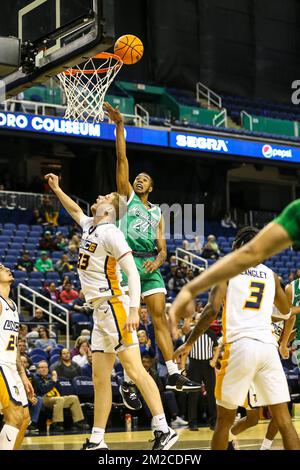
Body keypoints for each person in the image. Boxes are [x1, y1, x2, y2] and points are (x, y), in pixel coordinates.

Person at [45, 172, 178, 450]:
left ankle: (163, 429)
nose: (98, 197)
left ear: (110, 208)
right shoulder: (91, 226)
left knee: (135, 368)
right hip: (100, 312)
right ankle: (97, 438)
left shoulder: (112, 232)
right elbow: (75, 209)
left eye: (104, 197)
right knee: (99, 377)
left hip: (114, 305)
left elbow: (133, 272)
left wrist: (132, 310)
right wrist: (57, 189)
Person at [103, 101, 200, 396]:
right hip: (127, 264)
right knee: (128, 323)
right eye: (137, 178)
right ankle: (129, 381)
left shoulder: (157, 212)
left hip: (150, 268)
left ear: (152, 187)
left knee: (159, 317)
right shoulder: (127, 198)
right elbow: (122, 159)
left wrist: (157, 264)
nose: (138, 179)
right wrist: (120, 127)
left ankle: (172, 373)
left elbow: (163, 250)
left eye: (144, 179)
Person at [173, 227, 300, 450]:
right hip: (268, 349)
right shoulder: (272, 275)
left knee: (224, 421)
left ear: (237, 246)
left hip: (241, 346)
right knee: (284, 421)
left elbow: (211, 310)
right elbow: (286, 310)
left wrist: (189, 342)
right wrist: (262, 313)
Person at [169, 199, 300, 324]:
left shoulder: (295, 210)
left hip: (240, 339)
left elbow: (212, 310)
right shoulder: (271, 275)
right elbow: (285, 313)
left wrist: (190, 289)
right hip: (266, 340)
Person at [0, 263, 34, 449]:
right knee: (14, 416)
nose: (6, 269)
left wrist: (22, 374)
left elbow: (14, 346)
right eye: (1, 267)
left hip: (12, 367)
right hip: (0, 365)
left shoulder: (12, 306)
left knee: (24, 420)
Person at [35, 361, 89, 433]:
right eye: (41, 367)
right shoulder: (36, 378)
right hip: (44, 398)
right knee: (59, 399)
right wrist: (53, 381)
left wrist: (56, 380)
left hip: (56, 398)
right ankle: (56, 423)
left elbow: (60, 390)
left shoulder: (50, 377)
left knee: (74, 398)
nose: (44, 369)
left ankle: (78, 422)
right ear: (37, 369)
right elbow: (43, 389)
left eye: (45, 367)